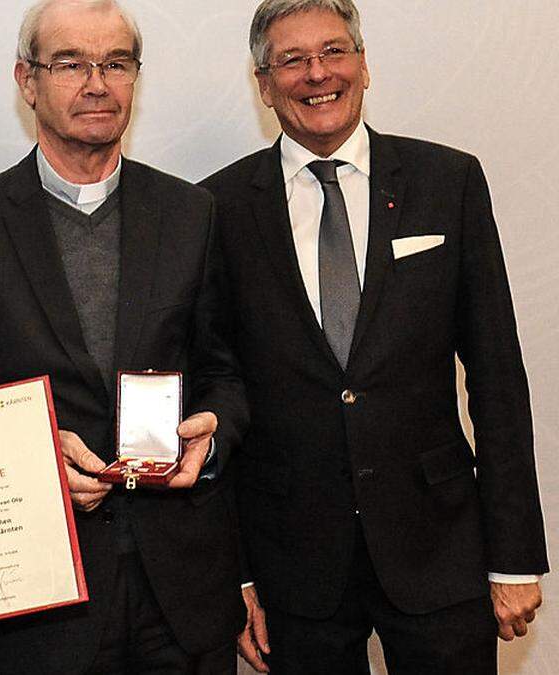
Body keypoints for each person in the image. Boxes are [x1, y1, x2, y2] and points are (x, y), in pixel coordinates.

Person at [199, 1, 548, 672]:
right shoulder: (216, 209)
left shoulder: (449, 183)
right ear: (262, 83)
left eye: (333, 52)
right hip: (293, 570)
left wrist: (513, 556)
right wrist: (236, 574)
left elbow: (498, 379)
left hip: (440, 548)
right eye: (291, 60)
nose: (316, 74)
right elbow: (219, 390)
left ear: (364, 65)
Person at [0, 1, 248, 672]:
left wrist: (213, 435)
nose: (97, 83)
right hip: (42, 601)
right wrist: (32, 464)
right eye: (70, 63)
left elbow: (228, 374)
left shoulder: (192, 213)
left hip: (184, 594)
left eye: (117, 63)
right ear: (27, 81)